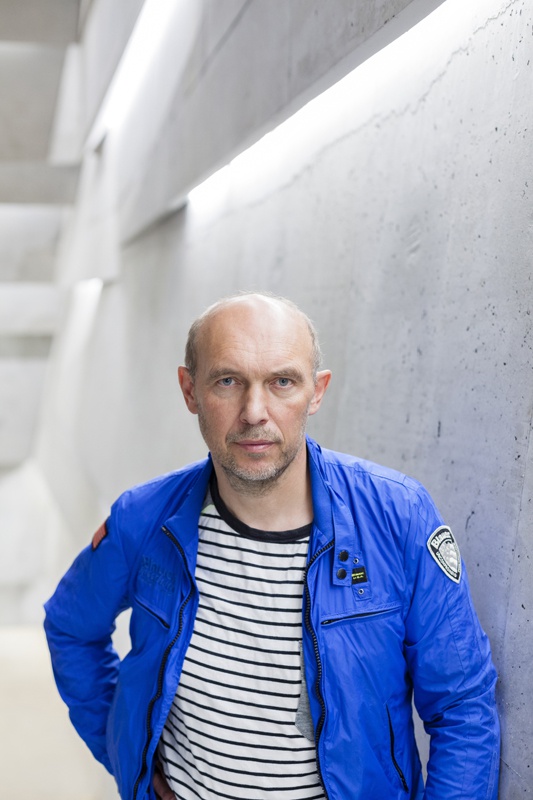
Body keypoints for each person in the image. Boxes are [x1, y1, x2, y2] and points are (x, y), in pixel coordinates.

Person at [44, 292, 500, 800]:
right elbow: (71, 627)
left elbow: (462, 706)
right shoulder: (143, 520)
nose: (254, 412)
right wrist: (125, 754)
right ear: (190, 390)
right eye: (228, 381)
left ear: (316, 392)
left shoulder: (399, 519)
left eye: (282, 382)